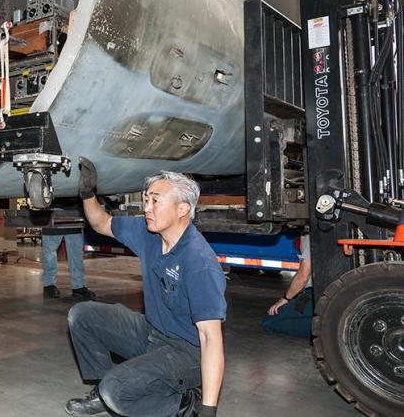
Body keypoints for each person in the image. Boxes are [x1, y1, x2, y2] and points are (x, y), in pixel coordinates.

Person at [64, 158, 225, 417]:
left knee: (116, 390)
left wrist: (208, 409)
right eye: (146, 199)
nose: (146, 208)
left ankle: (184, 405)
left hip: (186, 352)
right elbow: (100, 222)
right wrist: (87, 193)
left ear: (182, 209)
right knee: (82, 315)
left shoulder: (199, 262)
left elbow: (211, 339)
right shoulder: (149, 232)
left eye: (155, 201)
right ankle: (102, 393)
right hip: (151, 332)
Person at [261, 233, 313, 337]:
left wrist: (286, 298)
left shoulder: (311, 235)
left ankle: (326, 328)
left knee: (269, 322)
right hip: (333, 292)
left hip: (314, 294)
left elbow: (303, 276)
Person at [42, 227, 96, 300]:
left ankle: (78, 286)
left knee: (76, 254)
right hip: (52, 222)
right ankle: (48, 284)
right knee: (49, 252)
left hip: (74, 223)